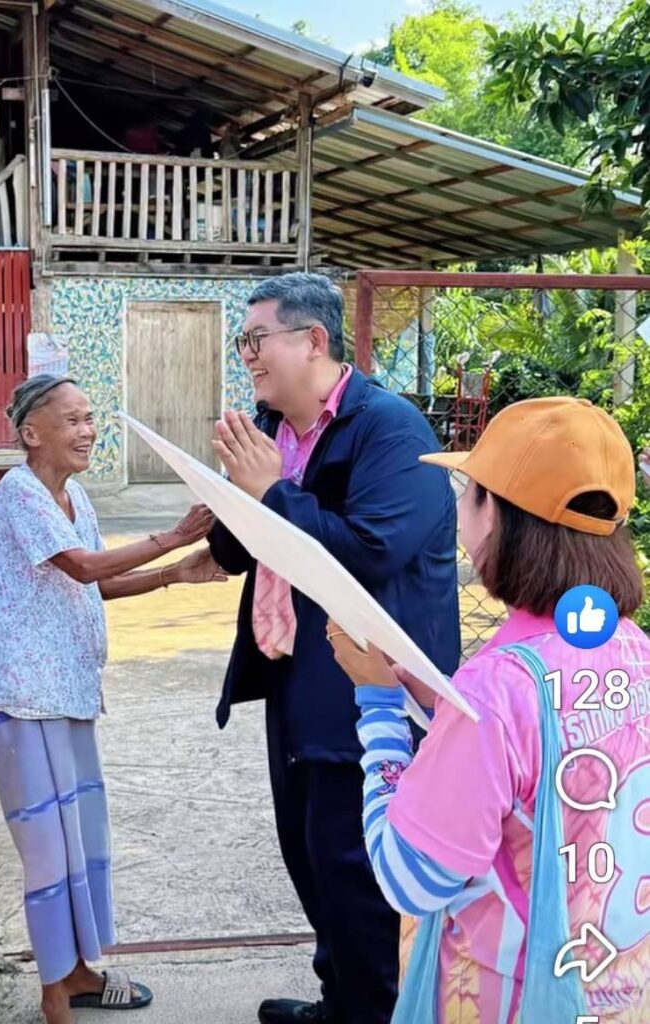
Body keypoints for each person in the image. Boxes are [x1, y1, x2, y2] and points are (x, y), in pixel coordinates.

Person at [327, 396, 650, 1023]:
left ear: (496, 513)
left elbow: (410, 878)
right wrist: (443, 706)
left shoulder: (496, 692)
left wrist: (379, 704)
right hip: (618, 993)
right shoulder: (632, 650)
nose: (459, 510)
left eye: (468, 491)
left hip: (508, 1002)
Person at [207, 273, 461, 1024]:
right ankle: (339, 1000)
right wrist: (230, 494)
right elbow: (239, 549)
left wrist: (273, 492)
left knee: (359, 870)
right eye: (243, 342)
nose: (248, 356)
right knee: (311, 856)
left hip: (369, 686)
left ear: (313, 340)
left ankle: (378, 1009)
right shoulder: (272, 427)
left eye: (258, 339)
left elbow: (371, 552)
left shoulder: (390, 430)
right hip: (294, 675)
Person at [0, 374, 225, 1024]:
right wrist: (174, 537)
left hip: (70, 691)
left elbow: (93, 584)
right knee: (47, 852)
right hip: (25, 697)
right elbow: (83, 567)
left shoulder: (75, 496)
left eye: (90, 418)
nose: (88, 431)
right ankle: (54, 991)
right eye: (73, 420)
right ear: (32, 433)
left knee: (80, 843)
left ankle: (80, 972)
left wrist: (174, 574)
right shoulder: (19, 494)